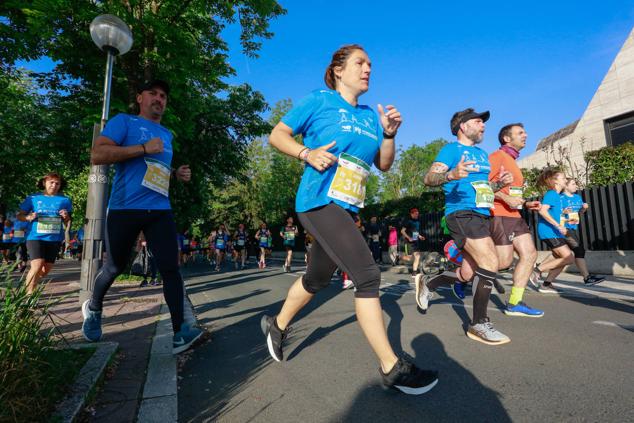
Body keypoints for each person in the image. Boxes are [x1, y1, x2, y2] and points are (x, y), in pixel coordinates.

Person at [263, 44, 438, 394]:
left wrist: (389, 134)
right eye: (360, 63)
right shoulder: (320, 101)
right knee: (367, 276)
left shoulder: (371, 117)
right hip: (317, 201)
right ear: (338, 70)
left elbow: (384, 164)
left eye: (371, 64)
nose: (368, 69)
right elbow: (276, 135)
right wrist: (306, 152)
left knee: (316, 278)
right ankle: (392, 367)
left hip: (347, 209)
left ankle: (276, 325)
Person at [81, 79, 202, 354]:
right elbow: (98, 154)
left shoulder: (167, 134)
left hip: (159, 209)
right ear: (140, 98)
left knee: (171, 268)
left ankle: (179, 332)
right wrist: (143, 148)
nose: (159, 99)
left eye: (163, 96)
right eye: (153, 94)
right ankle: (95, 307)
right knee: (115, 266)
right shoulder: (124, 122)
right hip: (125, 207)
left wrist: (175, 174)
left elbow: (152, 169)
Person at [421, 108, 513, 345]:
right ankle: (478, 323)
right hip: (461, 213)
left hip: (482, 214)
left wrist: (498, 185)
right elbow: (429, 178)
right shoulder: (452, 149)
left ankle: (429, 283)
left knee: (468, 273)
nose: (483, 125)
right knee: (491, 262)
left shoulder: (481, 154)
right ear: (463, 126)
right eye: (478, 121)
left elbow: (482, 188)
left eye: (483, 122)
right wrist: (451, 175)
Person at [488, 123, 544, 317]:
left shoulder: (512, 160)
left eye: (525, 132)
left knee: (530, 254)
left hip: (514, 216)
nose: (526, 135)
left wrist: (525, 204)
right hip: (498, 215)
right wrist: (506, 199)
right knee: (503, 262)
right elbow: (480, 186)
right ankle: (457, 273)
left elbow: (511, 193)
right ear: (506, 138)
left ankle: (514, 302)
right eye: (520, 133)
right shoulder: (497, 157)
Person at [17, 172, 72, 294]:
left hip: (54, 238)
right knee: (37, 264)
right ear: (44, 183)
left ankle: (31, 282)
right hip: (35, 236)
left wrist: (66, 216)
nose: (54, 185)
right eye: (51, 182)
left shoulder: (65, 200)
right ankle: (28, 297)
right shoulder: (33, 198)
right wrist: (28, 217)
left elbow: (68, 221)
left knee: (45, 270)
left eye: (57, 183)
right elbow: (19, 215)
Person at [532, 170, 576, 293]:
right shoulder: (551, 194)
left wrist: (564, 214)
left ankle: (546, 284)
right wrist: (557, 225)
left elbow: (551, 212)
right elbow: (543, 211)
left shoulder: (556, 196)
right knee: (569, 257)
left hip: (555, 232)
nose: (565, 180)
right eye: (563, 178)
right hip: (549, 231)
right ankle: (536, 270)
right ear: (554, 181)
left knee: (560, 258)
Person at [556, 178, 605, 284]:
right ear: (566, 186)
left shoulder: (577, 197)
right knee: (579, 250)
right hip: (563, 227)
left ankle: (540, 273)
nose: (576, 186)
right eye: (573, 184)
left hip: (573, 226)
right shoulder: (560, 198)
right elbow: (555, 213)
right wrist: (563, 212)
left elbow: (579, 212)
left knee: (557, 254)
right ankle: (587, 277)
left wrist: (584, 208)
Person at [401, 208, 425, 277]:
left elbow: (415, 232)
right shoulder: (408, 221)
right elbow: (402, 231)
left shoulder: (418, 222)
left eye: (418, 214)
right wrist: (409, 238)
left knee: (417, 256)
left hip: (416, 241)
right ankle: (399, 257)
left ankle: (414, 272)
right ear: (411, 214)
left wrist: (420, 236)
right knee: (409, 258)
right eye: (415, 214)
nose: (417, 215)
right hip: (409, 242)